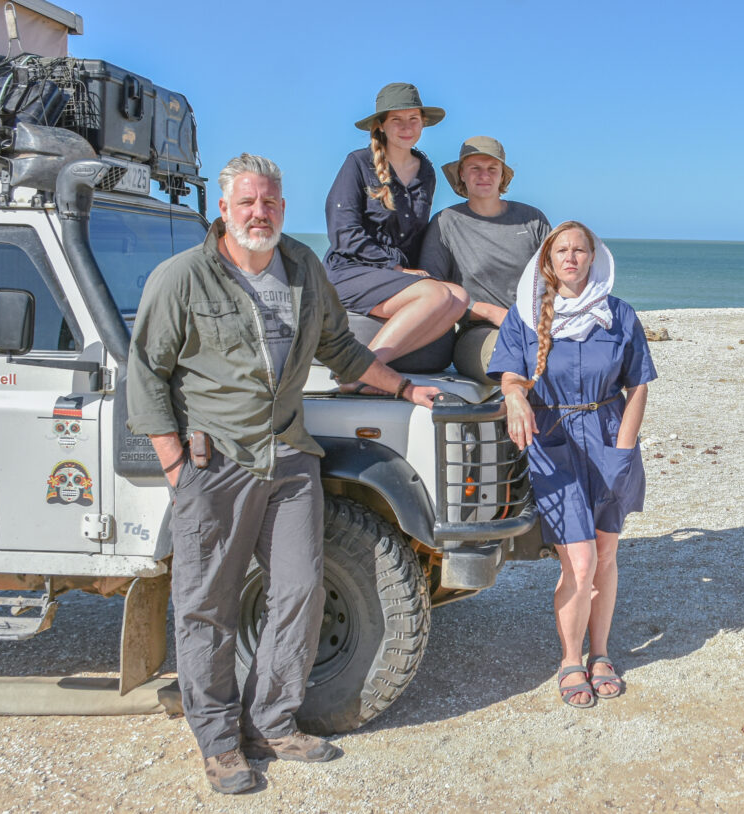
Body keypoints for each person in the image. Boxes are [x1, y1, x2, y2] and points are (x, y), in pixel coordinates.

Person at [127, 154, 439, 794]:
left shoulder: (301, 266)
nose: (258, 214)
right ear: (223, 208)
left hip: (291, 457)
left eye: (268, 202)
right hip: (216, 466)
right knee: (205, 607)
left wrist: (404, 388)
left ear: (283, 208)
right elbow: (147, 373)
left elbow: (340, 348)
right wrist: (176, 467)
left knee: (298, 592)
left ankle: (272, 721)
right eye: (246, 203)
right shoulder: (182, 277)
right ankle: (218, 742)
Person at [487, 221, 657, 709]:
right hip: (553, 440)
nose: (570, 258)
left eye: (579, 250)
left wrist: (624, 448)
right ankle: (569, 660)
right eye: (561, 250)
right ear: (548, 259)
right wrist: (514, 396)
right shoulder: (525, 316)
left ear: (594, 257)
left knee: (606, 555)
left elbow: (638, 384)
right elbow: (511, 374)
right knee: (579, 563)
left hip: (608, 436)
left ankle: (600, 653)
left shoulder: (618, 314)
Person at [324, 82, 468, 383]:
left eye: (413, 119)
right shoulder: (358, 163)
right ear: (381, 126)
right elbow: (343, 232)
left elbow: (415, 238)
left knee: (458, 296)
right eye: (397, 120)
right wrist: (397, 268)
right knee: (434, 294)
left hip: (395, 276)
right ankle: (362, 373)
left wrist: (415, 271)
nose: (406, 127)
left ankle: (363, 371)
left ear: (423, 123)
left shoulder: (425, 171)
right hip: (351, 271)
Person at [419, 136, 550, 381]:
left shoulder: (533, 219)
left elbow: (556, 280)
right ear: (462, 174)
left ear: (503, 176)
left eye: (492, 169)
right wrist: (492, 313)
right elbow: (432, 292)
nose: (484, 175)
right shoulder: (445, 223)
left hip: (536, 326)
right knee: (513, 357)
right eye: (475, 169)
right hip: (479, 333)